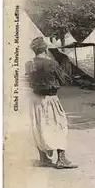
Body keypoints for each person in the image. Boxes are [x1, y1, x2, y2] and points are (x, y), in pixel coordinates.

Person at [26, 37, 77, 169]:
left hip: (35, 99)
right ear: (45, 49)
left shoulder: (29, 63)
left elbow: (29, 80)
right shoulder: (51, 64)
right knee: (59, 125)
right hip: (50, 99)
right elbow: (64, 80)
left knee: (39, 127)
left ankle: (43, 158)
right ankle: (61, 159)